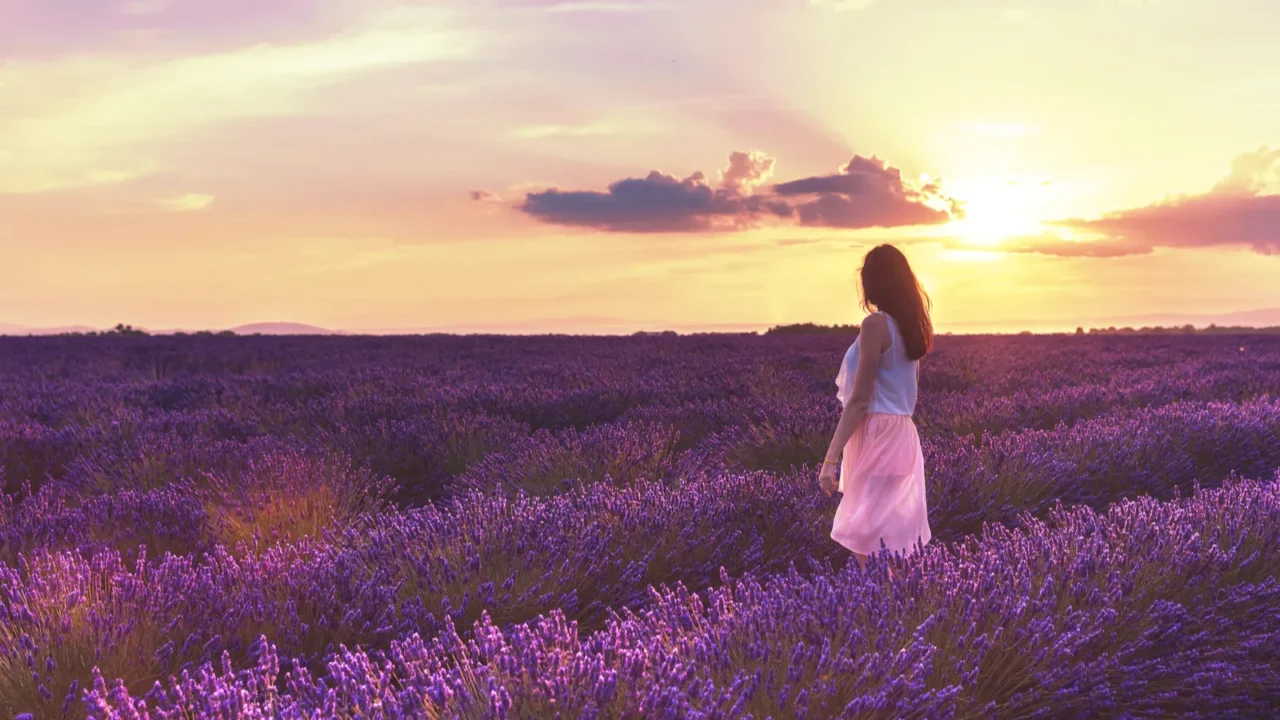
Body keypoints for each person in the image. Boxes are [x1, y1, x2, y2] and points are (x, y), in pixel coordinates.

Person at [818, 244, 933, 570]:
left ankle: (880, 597)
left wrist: (830, 458)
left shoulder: (875, 325)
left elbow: (859, 400)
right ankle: (896, 596)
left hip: (875, 433)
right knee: (887, 535)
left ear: (873, 282)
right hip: (902, 432)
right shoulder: (911, 327)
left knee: (866, 535)